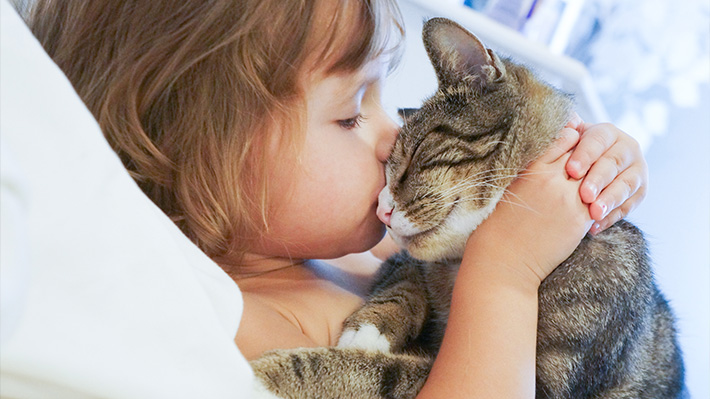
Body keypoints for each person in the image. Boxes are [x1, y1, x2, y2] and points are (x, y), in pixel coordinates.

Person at [27, 0, 647, 397]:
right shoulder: (258, 324)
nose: (394, 137)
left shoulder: (350, 258)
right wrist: (504, 276)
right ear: (212, 150)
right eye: (353, 114)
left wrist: (596, 165)